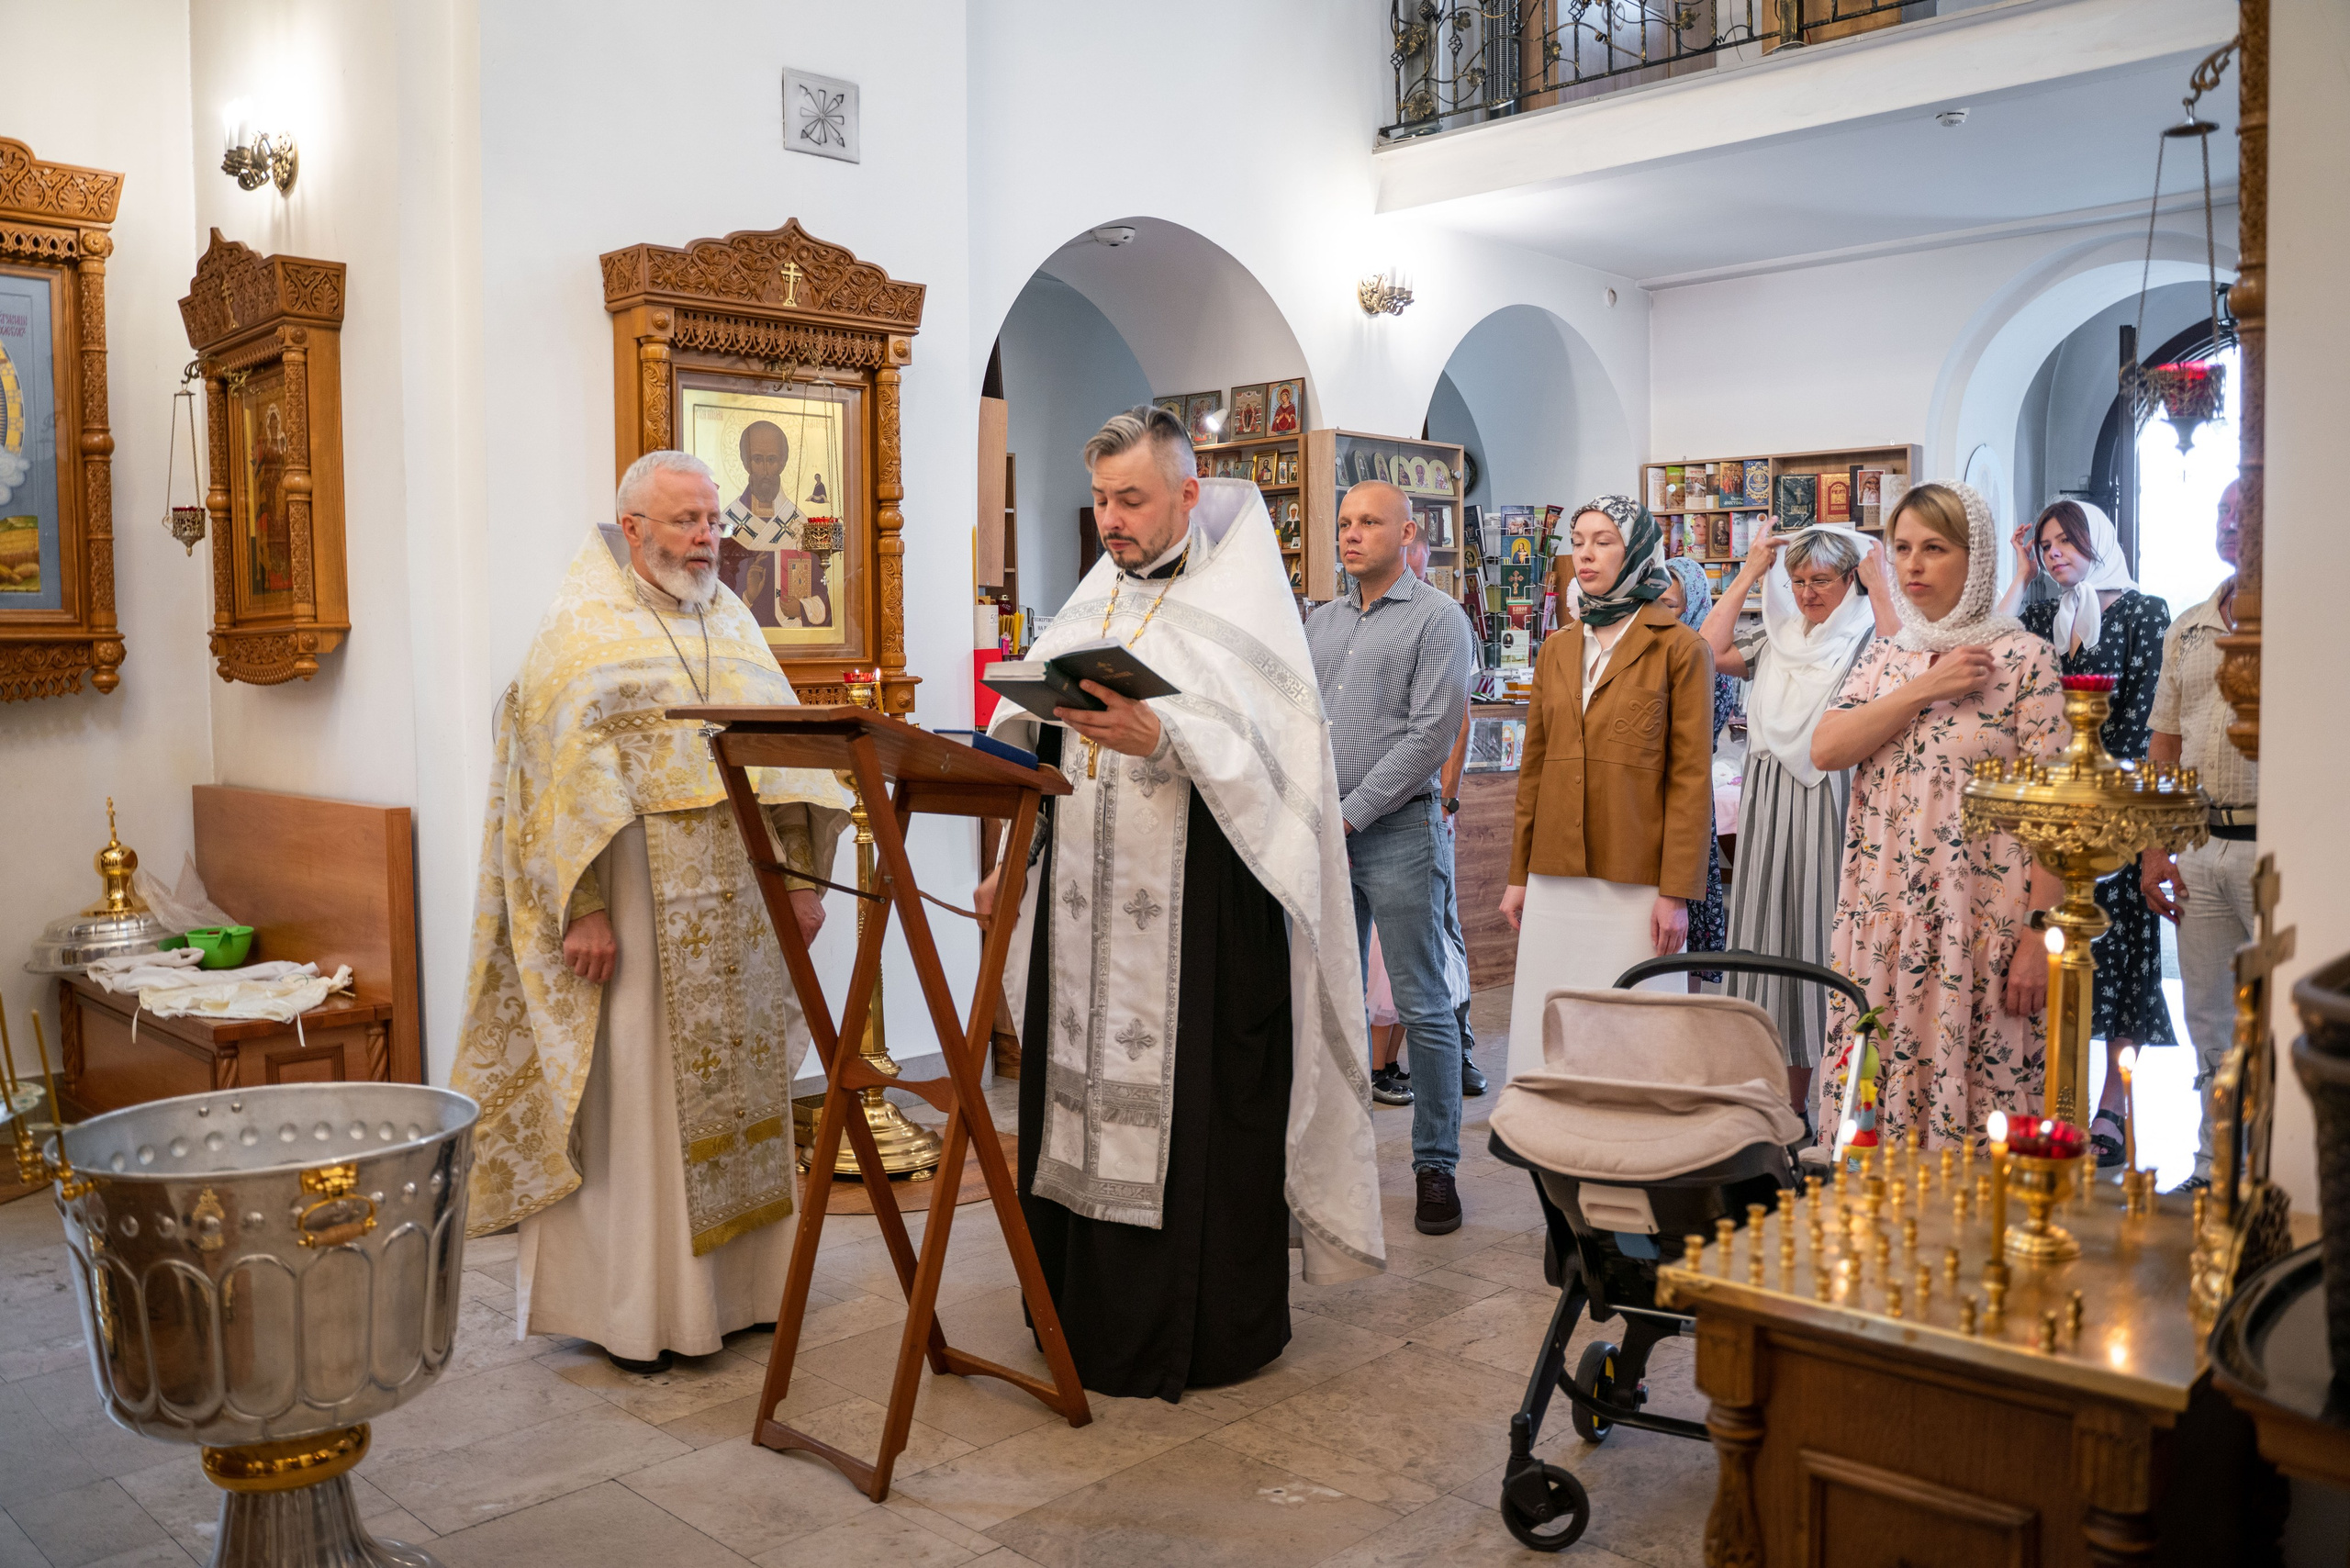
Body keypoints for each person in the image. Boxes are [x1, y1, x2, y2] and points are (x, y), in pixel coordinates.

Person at [975, 405, 1383, 1402]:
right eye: (1103, 501)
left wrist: (1166, 740)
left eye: (1132, 498)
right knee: (1069, 1098)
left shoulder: (1242, 610)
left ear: (1187, 494)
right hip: (1081, 907)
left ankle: (1186, 1333)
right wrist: (1008, 857)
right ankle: (1073, 1310)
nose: (1111, 519)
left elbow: (1285, 775)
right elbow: (1030, 737)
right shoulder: (1092, 602)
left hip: (1202, 920)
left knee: (1197, 1110)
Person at [451, 449, 851, 1373]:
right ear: (632, 528)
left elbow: (786, 755)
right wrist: (581, 912)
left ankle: (740, 1297)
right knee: (636, 1097)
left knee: (737, 1091)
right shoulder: (577, 632)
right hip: (633, 903)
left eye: (712, 520)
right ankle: (637, 1308)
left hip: (740, 906)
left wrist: (798, 884)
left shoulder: (735, 621)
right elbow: (551, 787)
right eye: (684, 521)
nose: (706, 538)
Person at [1808, 482, 2065, 1146]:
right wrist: (1927, 686)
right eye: (1901, 549)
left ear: (1975, 556)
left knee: (1982, 1115)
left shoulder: (2025, 660)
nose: (1913, 565)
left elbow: (2057, 819)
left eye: (1934, 548)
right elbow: (1827, 747)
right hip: (1882, 930)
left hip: (1984, 933)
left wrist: (2039, 936)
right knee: (1873, 1107)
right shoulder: (1888, 655)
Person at [1306, 479, 1476, 1233]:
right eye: (1344, 522)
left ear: (1407, 533)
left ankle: (1435, 1166)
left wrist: (1348, 815)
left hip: (1399, 832)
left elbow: (1427, 737)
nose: (1351, 534)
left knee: (1422, 1004)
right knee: (1321, 1001)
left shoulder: (1440, 619)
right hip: (1323, 833)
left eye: (1369, 522)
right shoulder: (1321, 621)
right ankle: (1317, 1162)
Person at [1500, 496, 1715, 1082]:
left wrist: (1677, 892)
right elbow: (1535, 771)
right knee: (1557, 1026)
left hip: (1637, 878)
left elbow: (1691, 779)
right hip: (1555, 871)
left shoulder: (1680, 648)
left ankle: (1635, 1149)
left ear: (1637, 549)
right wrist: (1519, 875)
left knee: (1634, 1033)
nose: (1586, 554)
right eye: (1579, 540)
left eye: (1604, 540)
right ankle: (1556, 1143)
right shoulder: (1559, 647)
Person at [1700, 524, 1899, 1117]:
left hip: (1831, 800)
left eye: (1822, 581)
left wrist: (1880, 586)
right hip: (1769, 798)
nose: (1809, 593)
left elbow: (1901, 663)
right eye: (1799, 581)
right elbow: (1708, 649)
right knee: (1768, 940)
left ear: (1851, 581)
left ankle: (1840, 1104)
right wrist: (1749, 573)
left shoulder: (1867, 636)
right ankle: (1785, 1107)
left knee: (1823, 944)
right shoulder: (1780, 637)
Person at [2003, 500, 2175, 1167]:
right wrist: (2019, 573)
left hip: (2116, 806)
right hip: (2056, 805)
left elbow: (2147, 713)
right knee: (2066, 953)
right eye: (2044, 546)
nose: (2054, 554)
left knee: (2124, 954)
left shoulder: (2143, 610)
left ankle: (2113, 1101)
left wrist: (2101, 794)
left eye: (2065, 541)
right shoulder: (2048, 615)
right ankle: (2060, 1095)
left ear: (2097, 541)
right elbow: (2006, 653)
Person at [2140, 480, 2255, 1193]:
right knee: (2208, 1018)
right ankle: (2217, 1168)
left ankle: (2280, 1171)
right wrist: (2157, 846)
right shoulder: (2188, 626)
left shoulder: (2300, 611)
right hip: (2203, 845)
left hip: (2279, 845)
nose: (2232, 523)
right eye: (2224, 512)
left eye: (2247, 512)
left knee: (2275, 1017)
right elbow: (2164, 743)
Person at [1660, 556, 1735, 991]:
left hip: (1685, 789)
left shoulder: (1707, 659)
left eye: (1671, 605)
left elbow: (1698, 733)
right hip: (1652, 792)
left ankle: (1684, 1017)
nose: (1662, 614)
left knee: (1685, 911)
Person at [719, 419, 830, 628]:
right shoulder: (727, 525)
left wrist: (803, 608)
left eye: (771, 460)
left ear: (783, 462)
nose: (766, 471)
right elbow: (714, 600)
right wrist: (747, 596)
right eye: (757, 460)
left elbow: (824, 594)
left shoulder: (802, 524)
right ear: (745, 462)